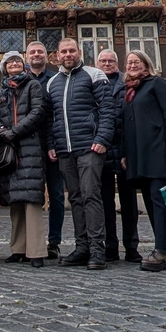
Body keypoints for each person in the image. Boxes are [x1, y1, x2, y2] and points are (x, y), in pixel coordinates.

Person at [46, 38, 114, 271]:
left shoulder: (94, 75)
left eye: (71, 50)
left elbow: (107, 109)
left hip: (89, 147)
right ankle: (82, 246)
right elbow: (50, 118)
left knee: (90, 195)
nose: (67, 54)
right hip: (65, 149)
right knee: (74, 197)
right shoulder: (52, 82)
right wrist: (52, 143)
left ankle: (97, 249)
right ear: (57, 55)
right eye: (63, 51)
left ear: (79, 52)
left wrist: (102, 139)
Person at [120, 49, 166, 272]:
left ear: (146, 64)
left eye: (136, 61)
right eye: (129, 63)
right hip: (139, 153)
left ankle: (162, 249)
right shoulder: (129, 91)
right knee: (150, 200)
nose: (132, 65)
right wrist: (125, 154)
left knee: (159, 200)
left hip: (158, 149)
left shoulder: (156, 84)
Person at [0, 51, 47, 267]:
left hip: (28, 146)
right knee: (15, 200)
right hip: (9, 148)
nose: (14, 64)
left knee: (31, 200)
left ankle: (37, 250)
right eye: (9, 61)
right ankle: (18, 248)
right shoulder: (0, 90)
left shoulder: (33, 86)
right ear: (4, 67)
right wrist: (2, 130)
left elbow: (38, 111)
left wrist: (17, 130)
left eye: (17, 61)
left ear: (24, 66)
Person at [95, 48, 141, 265]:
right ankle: (110, 246)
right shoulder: (93, 84)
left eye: (110, 60)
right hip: (101, 149)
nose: (107, 64)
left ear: (117, 62)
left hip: (124, 149)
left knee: (129, 201)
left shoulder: (127, 84)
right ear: (97, 63)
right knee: (105, 203)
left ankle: (132, 246)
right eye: (103, 61)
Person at [25, 41, 64, 258]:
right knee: (32, 195)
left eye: (40, 51)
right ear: (26, 56)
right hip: (29, 146)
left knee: (57, 194)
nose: (36, 55)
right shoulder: (21, 80)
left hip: (54, 145)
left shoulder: (56, 79)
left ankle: (54, 241)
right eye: (33, 52)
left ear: (46, 56)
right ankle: (34, 242)